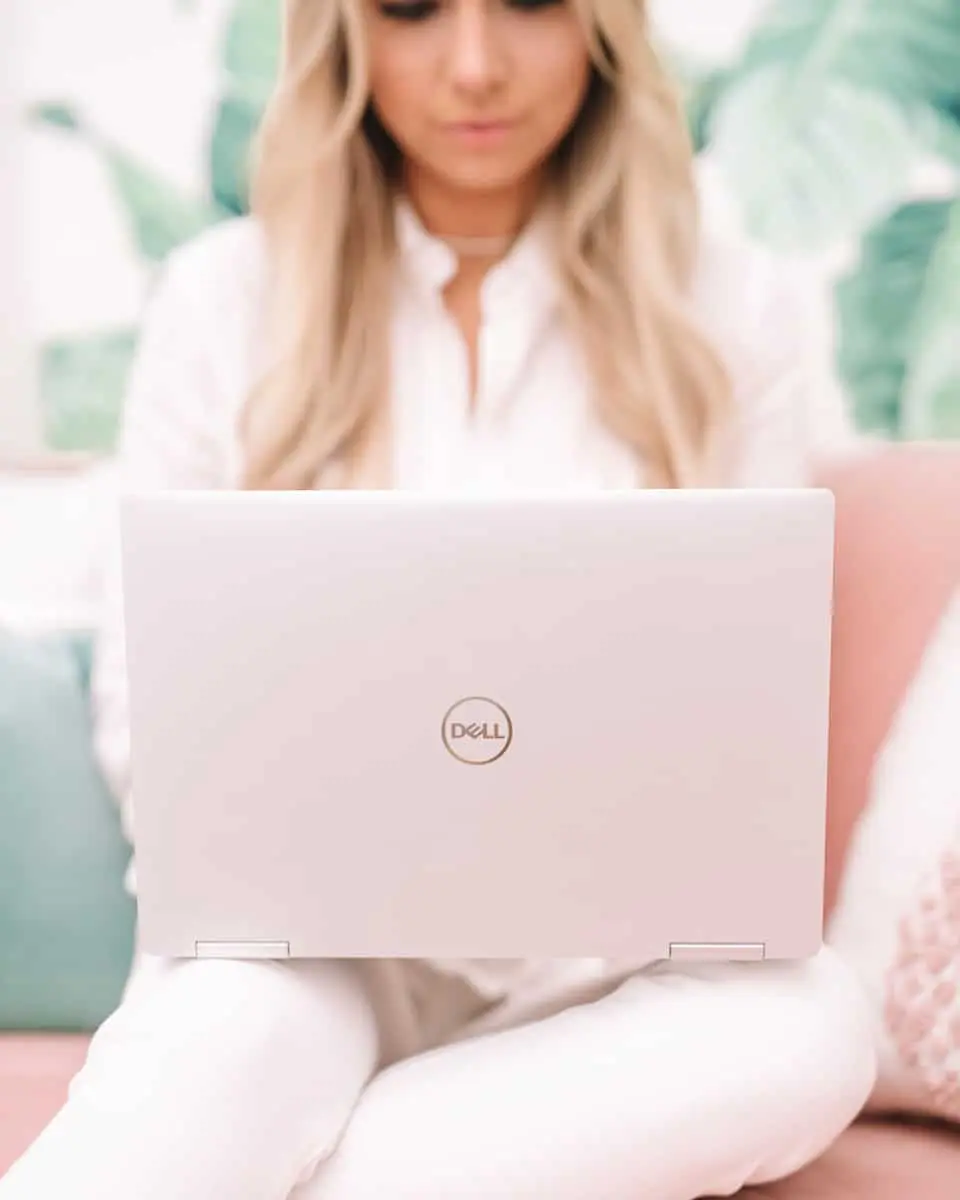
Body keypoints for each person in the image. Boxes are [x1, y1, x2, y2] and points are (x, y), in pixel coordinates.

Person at [1, 0, 875, 1197]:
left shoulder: (733, 306)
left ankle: (296, 1154)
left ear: (602, 28)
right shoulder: (222, 300)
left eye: (526, 4)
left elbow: (752, 723)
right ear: (343, 35)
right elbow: (144, 715)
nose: (475, 67)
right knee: (233, 1036)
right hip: (301, 956)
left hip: (604, 977)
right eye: (412, 8)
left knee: (812, 1026)